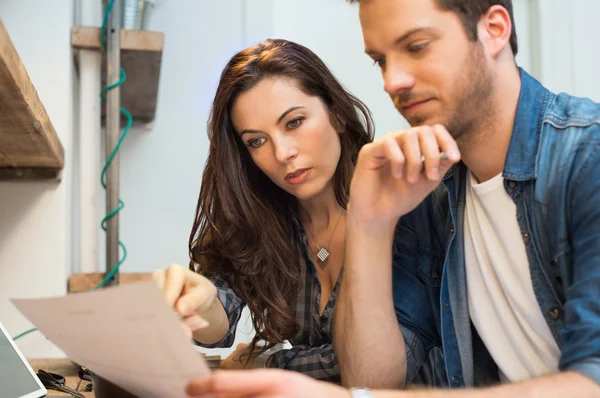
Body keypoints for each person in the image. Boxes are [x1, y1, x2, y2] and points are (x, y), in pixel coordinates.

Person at [183, 0, 600, 396]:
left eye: (416, 47)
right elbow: (371, 378)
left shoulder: (587, 160)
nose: (391, 81)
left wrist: (278, 369)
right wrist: (368, 220)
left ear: (494, 30)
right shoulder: (432, 194)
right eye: (381, 60)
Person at [152, 38, 374, 382]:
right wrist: (200, 301)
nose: (282, 153)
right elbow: (216, 319)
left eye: (294, 122)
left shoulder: (397, 203)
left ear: (337, 114)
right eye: (256, 141)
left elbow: (386, 361)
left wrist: (270, 364)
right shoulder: (264, 219)